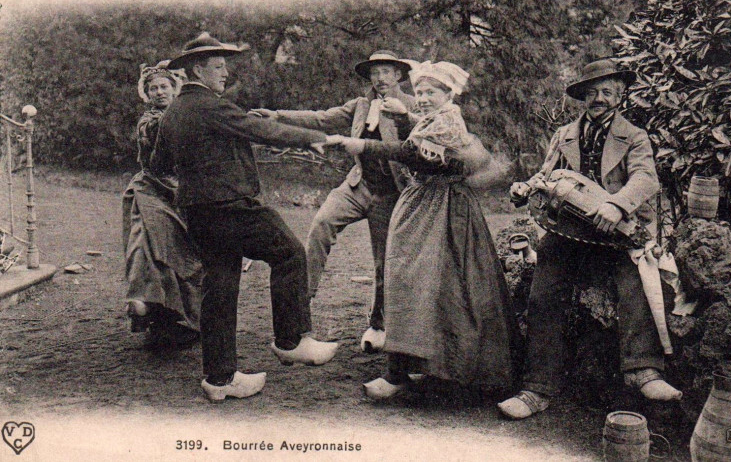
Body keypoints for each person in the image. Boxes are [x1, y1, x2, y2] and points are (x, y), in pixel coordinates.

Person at [151, 33, 341, 402]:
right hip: (231, 206)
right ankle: (292, 340)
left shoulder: (174, 112)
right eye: (219, 67)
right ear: (197, 69)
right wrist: (312, 138)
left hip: (197, 211)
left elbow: (156, 164)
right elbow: (262, 130)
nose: (225, 74)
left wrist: (197, 174)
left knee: (219, 288)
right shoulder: (208, 105)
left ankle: (220, 379)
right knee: (288, 253)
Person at [498, 59, 682, 420]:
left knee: (636, 282)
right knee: (544, 293)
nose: (599, 98)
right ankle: (537, 388)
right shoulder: (564, 134)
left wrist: (616, 205)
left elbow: (645, 179)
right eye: (592, 92)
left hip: (616, 231)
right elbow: (546, 173)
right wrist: (525, 187)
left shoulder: (634, 136)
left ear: (621, 94)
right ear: (582, 97)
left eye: (607, 91)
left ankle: (643, 370)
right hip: (567, 230)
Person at [337, 60, 520, 400]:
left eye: (430, 92)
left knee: (431, 284)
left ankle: (423, 372)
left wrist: (363, 145)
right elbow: (418, 141)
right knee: (413, 285)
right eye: (418, 91)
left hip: (444, 210)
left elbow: (414, 154)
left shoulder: (449, 121)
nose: (421, 97)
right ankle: (412, 368)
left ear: (448, 94)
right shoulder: (434, 119)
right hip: (424, 203)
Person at [253, 51, 415, 354]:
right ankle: (302, 308)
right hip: (358, 185)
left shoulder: (411, 108)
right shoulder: (360, 105)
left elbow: (410, 149)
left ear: (398, 75)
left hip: (392, 195)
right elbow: (321, 118)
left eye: (385, 72)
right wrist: (277, 115)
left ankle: (378, 325)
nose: (379, 79)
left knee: (384, 261)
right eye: (374, 73)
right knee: (321, 224)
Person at [123, 60, 203, 347]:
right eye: (153, 88)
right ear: (147, 94)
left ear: (174, 89)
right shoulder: (149, 121)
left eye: (164, 86)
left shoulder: (189, 115)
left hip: (184, 192)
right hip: (152, 190)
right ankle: (149, 307)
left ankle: (185, 319)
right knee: (147, 245)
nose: (159, 92)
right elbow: (154, 138)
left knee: (187, 252)